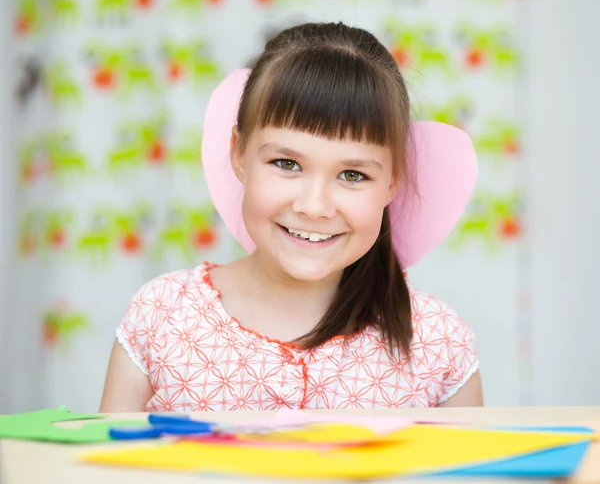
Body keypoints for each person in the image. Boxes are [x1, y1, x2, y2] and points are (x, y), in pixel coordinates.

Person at [99, 21, 483, 413]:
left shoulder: (439, 343)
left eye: (353, 175)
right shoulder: (161, 316)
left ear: (392, 183)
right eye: (286, 163)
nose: (314, 206)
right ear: (239, 153)